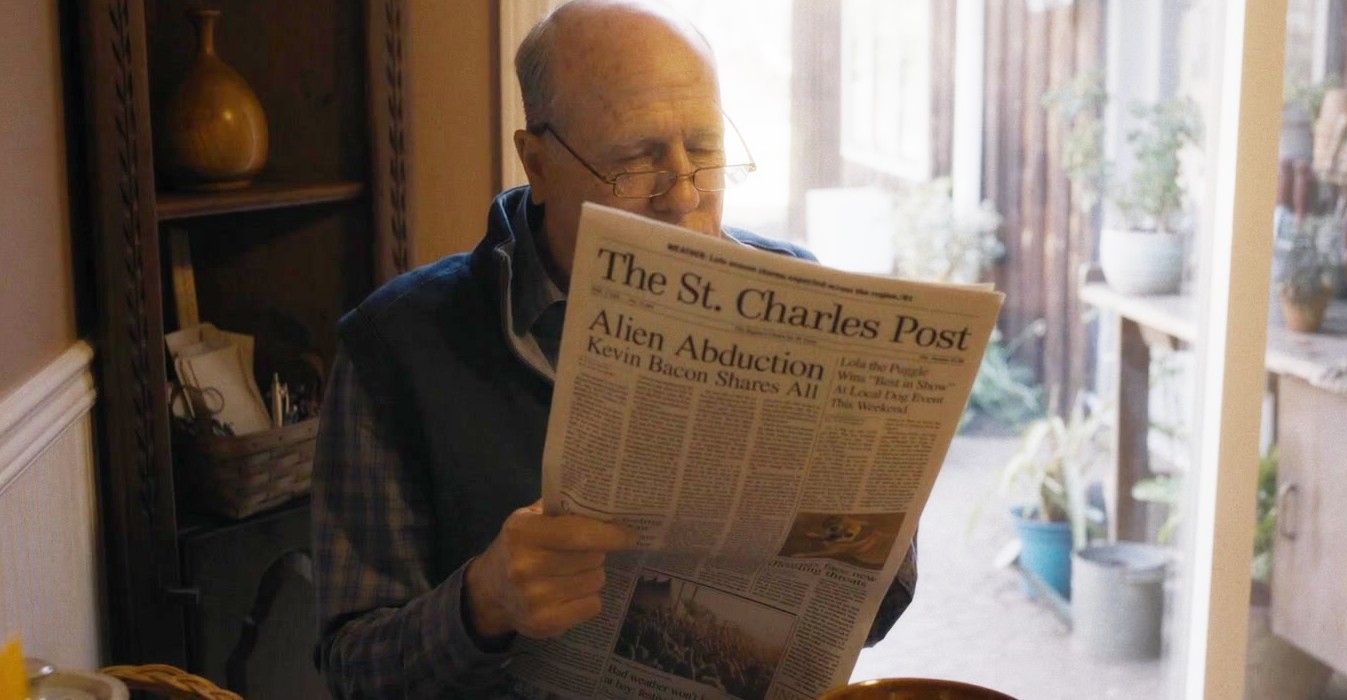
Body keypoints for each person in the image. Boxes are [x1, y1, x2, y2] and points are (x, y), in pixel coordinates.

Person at [312, 1, 915, 696]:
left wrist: (878, 514)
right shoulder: (396, 348)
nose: (684, 197)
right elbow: (352, 671)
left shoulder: (800, 298)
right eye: (636, 161)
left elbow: (872, 614)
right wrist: (484, 602)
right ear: (536, 163)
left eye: (707, 150)